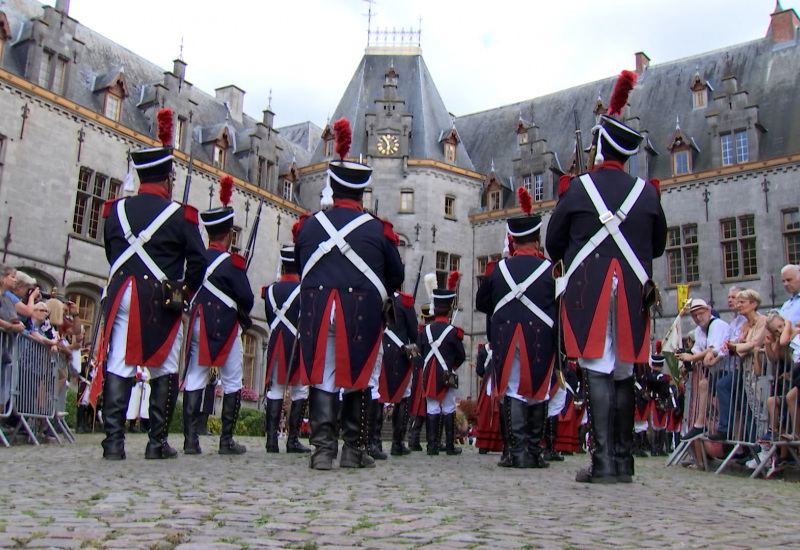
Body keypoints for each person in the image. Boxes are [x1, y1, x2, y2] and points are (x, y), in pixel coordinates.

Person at [546, 70, 667, 483]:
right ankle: (623, 462)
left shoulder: (577, 190)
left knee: (597, 368)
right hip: (633, 292)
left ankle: (602, 464)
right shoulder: (647, 193)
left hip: (590, 291)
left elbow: (553, 242)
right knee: (623, 372)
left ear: (599, 148)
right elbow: (660, 245)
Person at [293, 118, 404, 470]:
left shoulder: (309, 226)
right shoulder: (377, 230)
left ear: (334, 188)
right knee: (356, 376)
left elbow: (300, 263)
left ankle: (322, 450)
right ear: (362, 192)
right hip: (359, 311)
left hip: (318, 309)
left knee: (323, 375)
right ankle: (352, 450)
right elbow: (396, 276)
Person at [100, 108, 207, 460]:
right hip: (161, 296)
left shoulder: (114, 211)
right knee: (164, 366)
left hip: (121, 292)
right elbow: (199, 261)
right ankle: (156, 442)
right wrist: (184, 292)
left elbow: (111, 252)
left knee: (118, 361)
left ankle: (113, 443)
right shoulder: (182, 215)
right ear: (167, 180)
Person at [476, 198, 556, 468]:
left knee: (511, 390)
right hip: (540, 337)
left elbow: (481, 303)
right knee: (538, 390)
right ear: (536, 239)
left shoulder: (498, 270)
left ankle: (512, 452)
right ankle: (533, 452)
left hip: (506, 336)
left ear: (513, 240)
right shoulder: (550, 270)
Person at [182, 177, 254, 456]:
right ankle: (226, 441)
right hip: (224, 324)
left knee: (196, 376)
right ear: (229, 236)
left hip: (199, 320)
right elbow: (246, 299)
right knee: (233, 380)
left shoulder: (197, 258)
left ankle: (190, 441)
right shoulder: (233, 263)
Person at [263, 245, 311, 454]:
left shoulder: (271, 290)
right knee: (299, 391)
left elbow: (268, 318)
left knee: (275, 389)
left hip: (276, 340)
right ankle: (292, 441)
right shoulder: (304, 290)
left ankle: (271, 441)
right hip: (296, 342)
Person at [420, 275, 466, 456]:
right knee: (448, 407)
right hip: (447, 372)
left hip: (429, 372)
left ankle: (432, 446)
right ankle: (448, 446)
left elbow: (420, 352)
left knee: (432, 407)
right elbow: (461, 356)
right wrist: (451, 367)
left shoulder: (425, 331)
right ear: (448, 311)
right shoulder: (454, 332)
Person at [676, 298, 730, 438]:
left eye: (700, 314)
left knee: (733, 408)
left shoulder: (717, 325)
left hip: (730, 369)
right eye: (694, 316)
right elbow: (697, 350)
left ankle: (721, 430)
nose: (698, 318)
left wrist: (692, 358)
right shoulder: (700, 331)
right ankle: (700, 424)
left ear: (708, 311)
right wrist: (686, 363)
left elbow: (713, 348)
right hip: (717, 371)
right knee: (703, 384)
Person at [377, 290, 419, 456]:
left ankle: (375, 441)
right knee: (403, 397)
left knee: (377, 395)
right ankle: (397, 443)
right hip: (399, 354)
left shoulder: (374, 295)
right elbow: (414, 333)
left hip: (379, 351)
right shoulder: (405, 301)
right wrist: (416, 358)